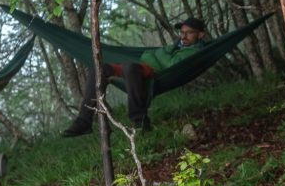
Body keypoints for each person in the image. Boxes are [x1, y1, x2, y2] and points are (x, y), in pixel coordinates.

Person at [62, 17, 209, 136]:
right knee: (100, 69)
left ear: (200, 35)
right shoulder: (177, 47)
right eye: (182, 32)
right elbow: (149, 54)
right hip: (141, 68)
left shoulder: (194, 52)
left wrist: (159, 54)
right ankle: (83, 121)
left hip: (155, 74)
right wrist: (159, 55)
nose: (183, 36)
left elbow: (169, 63)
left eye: (188, 33)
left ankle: (139, 120)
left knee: (130, 67)